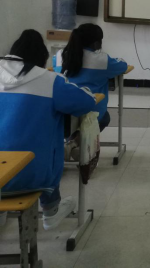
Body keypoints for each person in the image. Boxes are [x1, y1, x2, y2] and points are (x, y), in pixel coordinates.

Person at [0, 30, 96, 230]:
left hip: (3, 172)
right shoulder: (49, 80)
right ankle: (50, 209)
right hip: (33, 176)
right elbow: (86, 102)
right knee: (44, 149)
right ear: (41, 58)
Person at [56, 23, 128, 131]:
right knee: (105, 118)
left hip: (63, 113)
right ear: (96, 43)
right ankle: (84, 138)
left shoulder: (60, 55)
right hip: (90, 113)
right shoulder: (102, 61)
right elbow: (123, 66)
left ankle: (75, 138)